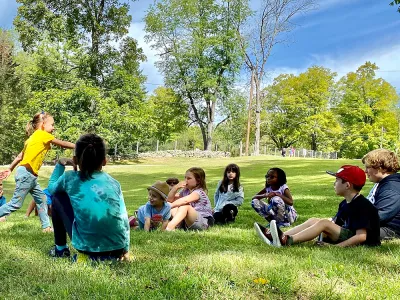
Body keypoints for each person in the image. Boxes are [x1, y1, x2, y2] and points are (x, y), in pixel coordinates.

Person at [47, 134, 130, 261]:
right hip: (118, 247)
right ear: (104, 161)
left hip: (86, 247)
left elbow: (51, 189)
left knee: (57, 197)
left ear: (75, 160)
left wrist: (60, 163)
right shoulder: (114, 183)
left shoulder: (69, 178)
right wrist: (125, 248)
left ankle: (60, 249)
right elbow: (124, 217)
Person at [255, 165, 381, 247]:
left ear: (347, 185)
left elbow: (361, 237)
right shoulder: (345, 203)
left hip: (364, 243)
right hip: (349, 234)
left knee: (324, 223)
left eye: (337, 180)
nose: (334, 183)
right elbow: (337, 224)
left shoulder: (362, 206)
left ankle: (287, 240)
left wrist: (334, 247)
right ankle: (279, 235)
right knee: (315, 220)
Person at [0, 112, 75, 232]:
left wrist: (10, 168)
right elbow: (62, 144)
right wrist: (78, 146)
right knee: (16, 204)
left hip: (29, 175)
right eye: (52, 124)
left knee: (42, 198)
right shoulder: (42, 134)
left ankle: (46, 227)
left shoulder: (31, 138)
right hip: (27, 175)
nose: (53, 127)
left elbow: (20, 156)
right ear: (43, 124)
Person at [362, 149, 400, 240]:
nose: (365, 171)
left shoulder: (391, 188)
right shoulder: (384, 183)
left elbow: (379, 217)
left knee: (344, 232)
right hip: (382, 226)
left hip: (390, 229)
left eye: (368, 167)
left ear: (382, 168)